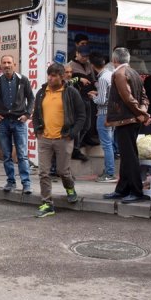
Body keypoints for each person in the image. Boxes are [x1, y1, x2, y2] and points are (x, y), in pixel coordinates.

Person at [32, 63, 86, 218]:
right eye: (49, 75)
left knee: (62, 171)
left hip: (63, 138)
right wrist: (37, 130)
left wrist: (72, 133)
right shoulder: (42, 92)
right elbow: (36, 114)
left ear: (62, 77)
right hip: (44, 138)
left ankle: (70, 188)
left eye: (54, 76)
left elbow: (81, 116)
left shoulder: (71, 92)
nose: (50, 78)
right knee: (44, 172)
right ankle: (47, 204)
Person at [102, 47, 151, 203]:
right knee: (126, 156)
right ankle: (122, 189)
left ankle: (136, 191)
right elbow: (144, 98)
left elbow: (127, 98)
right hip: (132, 119)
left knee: (129, 156)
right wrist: (142, 113)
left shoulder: (119, 73)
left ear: (114, 60)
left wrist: (141, 115)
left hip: (126, 120)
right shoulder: (134, 72)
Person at [0, 54, 35, 194]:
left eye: (9, 62)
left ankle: (26, 183)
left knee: (22, 155)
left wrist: (27, 115)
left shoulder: (23, 80)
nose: (7, 65)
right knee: (7, 155)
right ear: (1, 65)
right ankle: (10, 182)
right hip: (3, 122)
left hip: (19, 122)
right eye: (4, 63)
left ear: (14, 65)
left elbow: (31, 98)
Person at [88, 52, 117, 182]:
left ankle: (109, 173)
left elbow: (101, 101)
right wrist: (98, 93)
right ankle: (109, 171)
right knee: (109, 143)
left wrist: (93, 96)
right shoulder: (111, 75)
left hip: (104, 114)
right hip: (112, 114)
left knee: (106, 145)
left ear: (92, 65)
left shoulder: (103, 78)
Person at [68, 46, 96, 160]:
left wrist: (96, 90)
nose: (85, 58)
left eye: (87, 56)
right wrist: (79, 79)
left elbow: (93, 80)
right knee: (78, 125)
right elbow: (66, 82)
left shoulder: (89, 65)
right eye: (83, 56)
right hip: (76, 99)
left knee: (87, 125)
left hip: (88, 97)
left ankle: (78, 144)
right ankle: (75, 149)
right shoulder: (70, 66)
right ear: (77, 54)